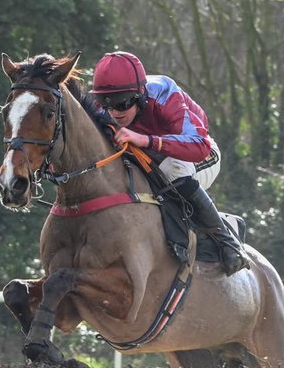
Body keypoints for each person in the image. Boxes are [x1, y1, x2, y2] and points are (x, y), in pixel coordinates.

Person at [89, 51, 248, 276]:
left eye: (122, 104)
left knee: (173, 167)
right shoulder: (99, 107)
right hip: (147, 159)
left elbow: (199, 145)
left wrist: (146, 140)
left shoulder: (164, 93)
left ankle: (226, 241)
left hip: (199, 155)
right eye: (107, 105)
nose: (114, 113)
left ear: (140, 94)